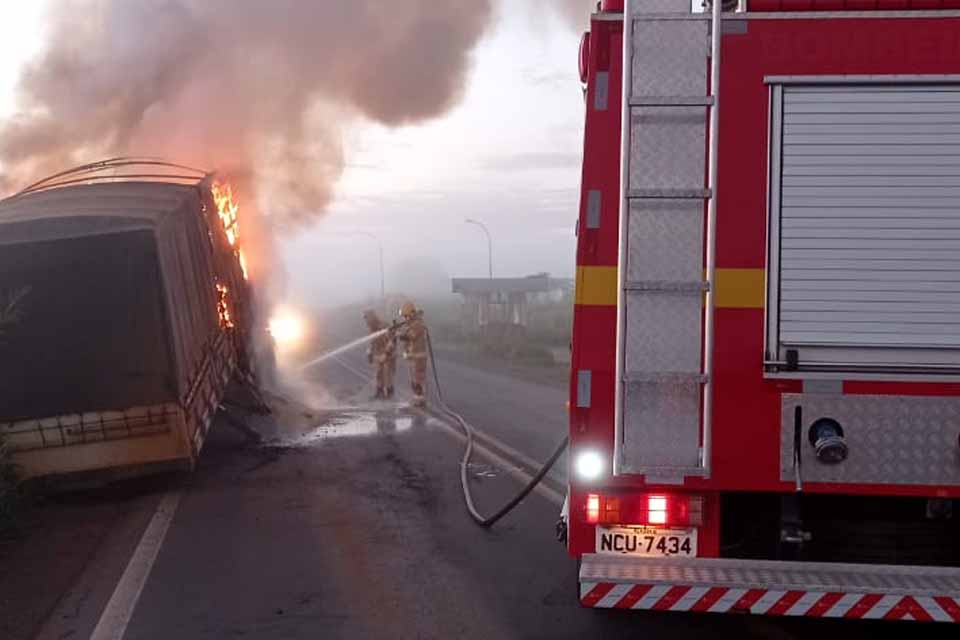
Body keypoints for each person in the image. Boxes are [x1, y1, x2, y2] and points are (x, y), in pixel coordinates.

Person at [396, 301, 428, 407]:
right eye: (404, 316)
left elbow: (411, 336)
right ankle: (417, 399)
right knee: (414, 379)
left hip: (419, 356)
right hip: (413, 357)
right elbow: (407, 337)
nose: (404, 318)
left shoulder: (418, 324)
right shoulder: (412, 324)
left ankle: (420, 400)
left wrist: (399, 335)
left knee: (418, 378)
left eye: (405, 316)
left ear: (411, 314)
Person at [363, 309, 396, 400]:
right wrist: (369, 352)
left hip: (388, 355)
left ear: (372, 318)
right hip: (378, 354)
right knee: (378, 374)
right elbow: (372, 342)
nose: (366, 322)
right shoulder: (371, 328)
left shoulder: (384, 326)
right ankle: (379, 393)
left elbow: (392, 341)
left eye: (367, 319)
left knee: (387, 374)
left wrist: (386, 353)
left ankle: (389, 394)